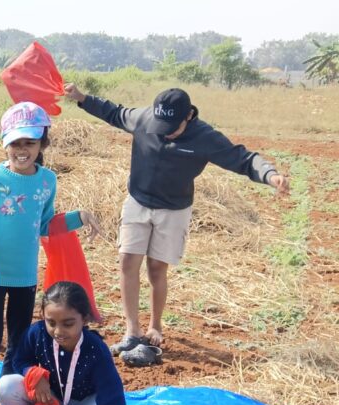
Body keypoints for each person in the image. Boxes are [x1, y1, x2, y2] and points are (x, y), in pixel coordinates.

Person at [63, 85, 290, 360]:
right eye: (161, 126)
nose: (166, 132)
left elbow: (242, 158)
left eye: (172, 127)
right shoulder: (144, 119)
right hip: (138, 201)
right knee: (127, 261)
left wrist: (270, 175)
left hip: (173, 210)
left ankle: (155, 326)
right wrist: (82, 98)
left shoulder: (205, 137)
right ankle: (132, 331)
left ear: (189, 116)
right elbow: (113, 112)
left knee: (157, 269)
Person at [0, 102, 99, 405]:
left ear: (41, 144)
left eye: (30, 143)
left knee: (19, 343)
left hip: (25, 277)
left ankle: (7, 401)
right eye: (16, 143)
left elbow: (45, 225)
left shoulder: (47, 180)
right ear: (4, 144)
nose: (22, 150)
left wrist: (79, 217)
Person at [0, 281, 128, 405]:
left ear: (85, 319)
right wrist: (34, 374)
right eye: (51, 322)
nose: (58, 331)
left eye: (68, 324)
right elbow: (20, 360)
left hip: (83, 403)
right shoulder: (38, 333)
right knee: (5, 387)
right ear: (43, 316)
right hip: (50, 398)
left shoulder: (96, 350)